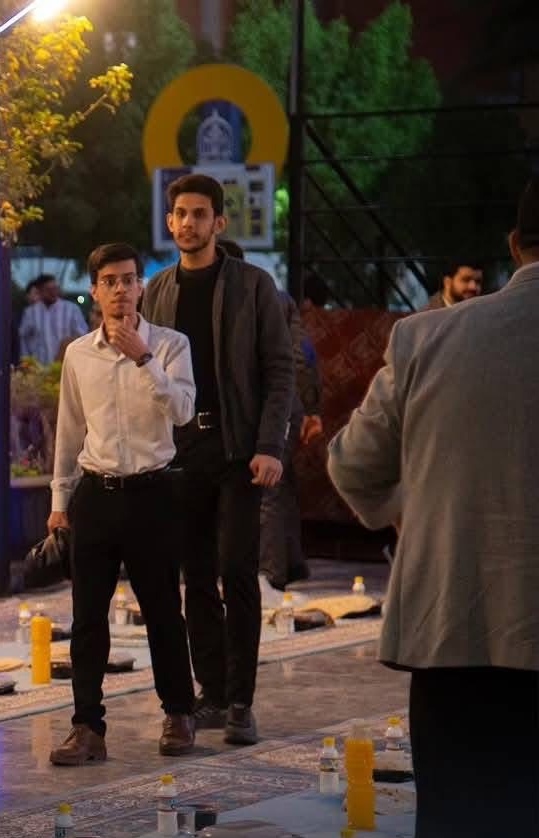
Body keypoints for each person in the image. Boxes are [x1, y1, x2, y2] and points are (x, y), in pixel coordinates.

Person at [327, 177, 539, 838]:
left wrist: (416, 510)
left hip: (457, 644)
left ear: (513, 247)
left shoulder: (425, 338)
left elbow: (352, 465)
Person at [142, 174, 292, 746]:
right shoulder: (157, 291)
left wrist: (270, 446)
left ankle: (242, 702)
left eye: (199, 214)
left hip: (238, 450)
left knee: (237, 569)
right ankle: (212, 693)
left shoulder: (253, 286)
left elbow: (279, 369)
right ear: (170, 221)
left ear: (219, 222)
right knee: (196, 577)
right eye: (180, 214)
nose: (188, 223)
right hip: (181, 452)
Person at [46, 243, 198, 764]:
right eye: (109, 281)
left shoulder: (171, 345)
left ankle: (179, 713)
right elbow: (69, 430)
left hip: (153, 492)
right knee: (88, 617)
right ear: (94, 291)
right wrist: (59, 500)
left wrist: (143, 358)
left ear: (141, 287)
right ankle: (87, 726)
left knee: (162, 611)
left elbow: (183, 411)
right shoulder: (78, 354)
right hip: (96, 492)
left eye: (129, 280)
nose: (120, 290)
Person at [216, 240, 322, 589]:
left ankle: (270, 576)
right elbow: (305, 353)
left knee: (267, 490)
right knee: (282, 486)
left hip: (271, 408)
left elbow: (297, 357)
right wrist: (310, 408)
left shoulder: (251, 299)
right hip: (286, 406)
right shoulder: (278, 297)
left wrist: (306, 408)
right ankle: (291, 563)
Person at [18, 273, 88, 363]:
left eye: (55, 288)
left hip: (65, 366)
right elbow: (24, 339)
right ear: (40, 291)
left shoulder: (71, 309)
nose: (53, 292)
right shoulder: (30, 312)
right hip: (38, 368)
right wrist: (26, 361)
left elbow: (83, 335)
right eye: (48, 289)